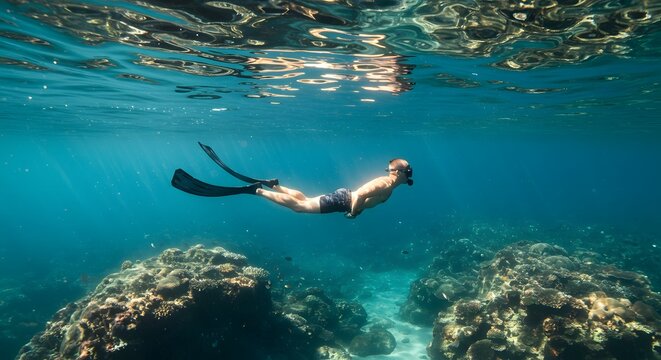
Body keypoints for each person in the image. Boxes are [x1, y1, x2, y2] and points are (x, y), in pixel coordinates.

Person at [172, 143, 413, 218]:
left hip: (342, 197)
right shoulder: (384, 183)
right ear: (399, 173)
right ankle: (257, 191)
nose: (410, 175)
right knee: (300, 207)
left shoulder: (390, 183)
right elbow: (360, 195)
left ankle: (274, 185)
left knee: (305, 199)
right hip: (344, 200)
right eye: (408, 171)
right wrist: (354, 213)